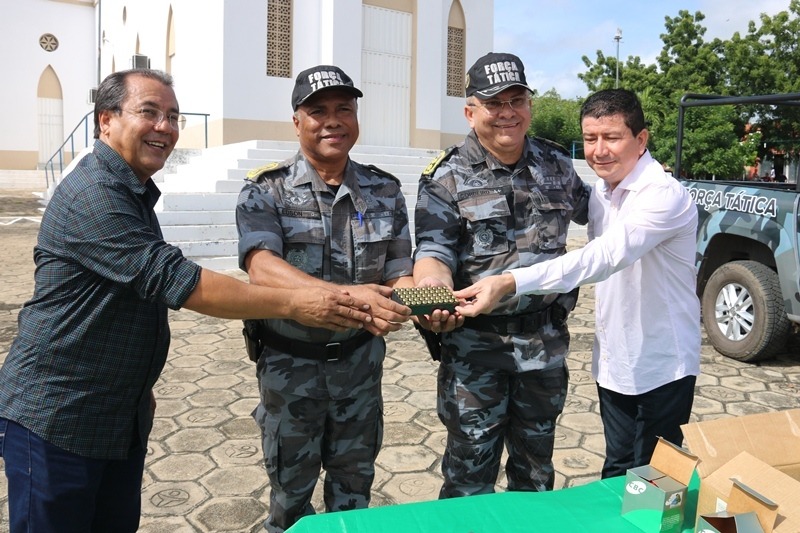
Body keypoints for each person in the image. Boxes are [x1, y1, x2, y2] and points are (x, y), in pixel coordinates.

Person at [0, 69, 378, 533]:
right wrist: (299, 304)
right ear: (105, 121)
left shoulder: (129, 189)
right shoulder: (94, 195)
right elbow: (184, 283)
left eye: (173, 116)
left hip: (118, 412)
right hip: (59, 418)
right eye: (149, 113)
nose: (165, 127)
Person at [455, 88, 700, 479]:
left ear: (641, 140)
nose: (599, 150)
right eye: (590, 139)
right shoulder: (603, 190)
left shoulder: (663, 196)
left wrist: (509, 281)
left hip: (662, 366)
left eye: (612, 138)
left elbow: (601, 259)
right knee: (616, 469)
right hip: (616, 362)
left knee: (653, 482)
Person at [235, 64, 413, 532]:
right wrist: (348, 296)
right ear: (297, 122)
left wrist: (432, 301)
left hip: (360, 368)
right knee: (290, 500)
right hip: (291, 373)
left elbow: (400, 272)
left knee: (354, 495)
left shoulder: (384, 190)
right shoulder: (265, 189)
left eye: (343, 109)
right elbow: (261, 265)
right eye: (318, 111)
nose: (332, 120)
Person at [412, 52, 591, 498]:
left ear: (529, 106)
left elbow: (604, 210)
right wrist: (431, 293)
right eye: (495, 103)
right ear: (471, 112)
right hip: (477, 353)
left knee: (536, 476)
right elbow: (433, 251)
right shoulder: (445, 176)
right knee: (468, 479)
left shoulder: (557, 165)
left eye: (517, 100)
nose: (508, 113)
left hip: (545, 349)